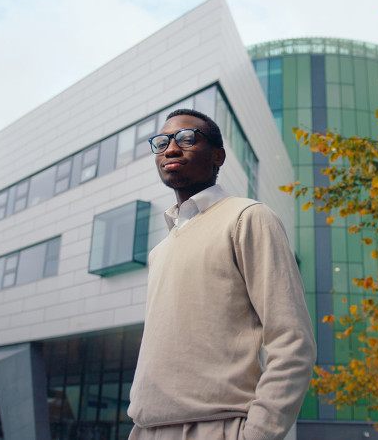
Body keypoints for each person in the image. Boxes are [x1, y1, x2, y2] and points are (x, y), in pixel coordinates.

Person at [127, 108, 317, 440]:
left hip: (218, 426)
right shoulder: (160, 250)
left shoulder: (248, 217)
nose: (171, 148)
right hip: (146, 429)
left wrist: (256, 434)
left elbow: (292, 341)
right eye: (162, 142)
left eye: (187, 138)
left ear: (218, 156)